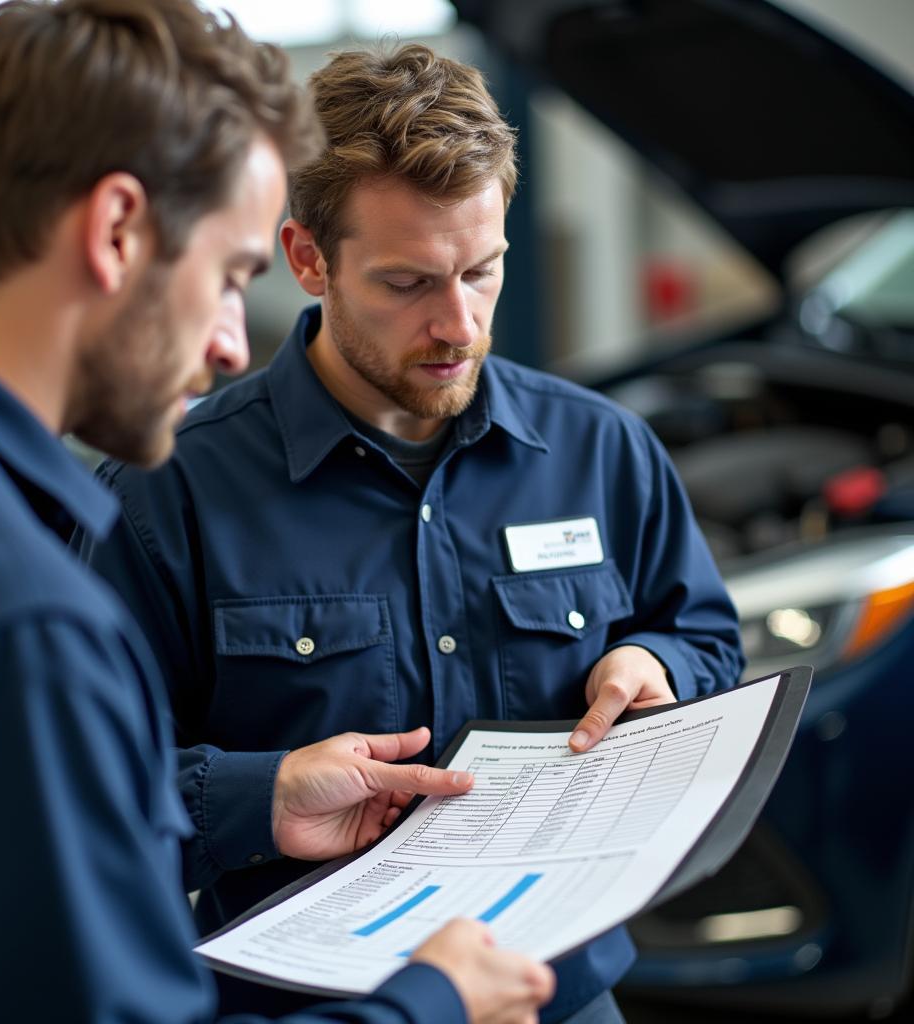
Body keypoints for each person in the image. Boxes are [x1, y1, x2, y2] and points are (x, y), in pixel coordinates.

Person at [0, 4, 556, 1023]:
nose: (234, 346)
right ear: (117, 231)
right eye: (231, 276)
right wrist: (429, 1005)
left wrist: (259, 796)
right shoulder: (19, 625)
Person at [79, 41, 744, 1024]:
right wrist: (262, 792)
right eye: (408, 284)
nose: (459, 325)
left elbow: (707, 641)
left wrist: (658, 663)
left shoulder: (601, 451)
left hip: (558, 996)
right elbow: (83, 800)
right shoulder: (165, 493)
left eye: (482, 272)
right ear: (307, 258)